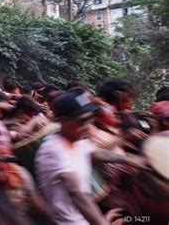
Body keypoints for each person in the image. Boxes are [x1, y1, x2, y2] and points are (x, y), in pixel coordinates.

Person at [36, 89, 142, 225]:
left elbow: (96, 152)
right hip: (73, 222)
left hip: (85, 216)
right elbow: (78, 195)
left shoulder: (78, 139)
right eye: (82, 120)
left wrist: (128, 160)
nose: (87, 125)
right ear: (62, 120)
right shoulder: (53, 151)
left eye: (90, 118)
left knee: (141, 219)